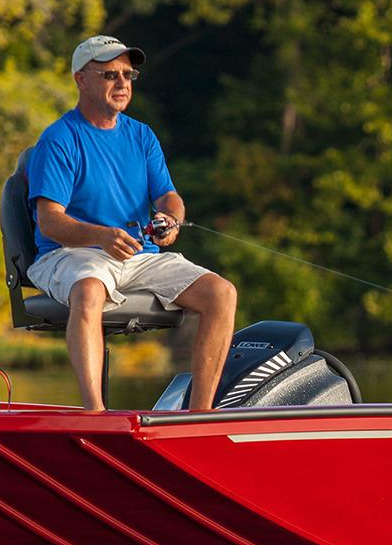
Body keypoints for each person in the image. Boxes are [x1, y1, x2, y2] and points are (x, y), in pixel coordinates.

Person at [27, 35, 237, 411]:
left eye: (128, 75)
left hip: (139, 256)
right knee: (88, 291)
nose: (122, 83)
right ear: (81, 80)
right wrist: (101, 236)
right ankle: (95, 414)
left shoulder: (142, 136)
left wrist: (171, 220)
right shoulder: (58, 139)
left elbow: (169, 197)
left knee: (221, 294)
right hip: (71, 254)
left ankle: (199, 416)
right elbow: (50, 222)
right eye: (110, 75)